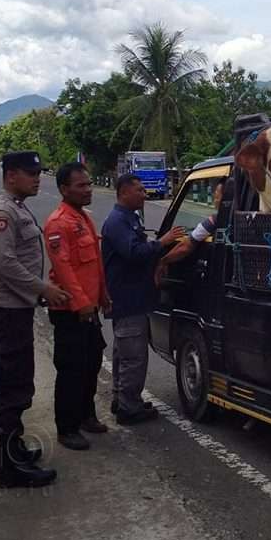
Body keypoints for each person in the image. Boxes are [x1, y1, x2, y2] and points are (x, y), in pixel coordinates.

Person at [0, 150, 67, 488]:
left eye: (38, 173)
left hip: (13, 309)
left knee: (14, 382)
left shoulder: (15, 207)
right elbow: (5, 264)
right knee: (13, 386)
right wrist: (43, 288)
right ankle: (10, 467)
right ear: (10, 175)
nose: (37, 178)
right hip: (5, 310)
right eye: (30, 174)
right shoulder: (1, 211)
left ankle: (7, 449)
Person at [101, 174, 185, 425]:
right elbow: (135, 253)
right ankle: (129, 407)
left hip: (133, 297)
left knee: (123, 353)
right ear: (124, 192)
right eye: (139, 190)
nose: (144, 194)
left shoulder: (129, 219)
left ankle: (122, 399)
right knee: (133, 355)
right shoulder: (117, 222)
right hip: (128, 299)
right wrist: (163, 242)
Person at [43, 163, 111, 450]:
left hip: (89, 309)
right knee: (71, 369)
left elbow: (95, 264)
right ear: (64, 189)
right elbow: (64, 268)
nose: (88, 189)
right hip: (70, 312)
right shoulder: (59, 223)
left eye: (89, 183)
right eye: (80, 185)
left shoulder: (82, 219)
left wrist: (103, 297)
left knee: (92, 362)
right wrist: (82, 303)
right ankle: (67, 427)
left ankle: (86, 415)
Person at [154, 179, 228, 286]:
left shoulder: (215, 220)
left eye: (216, 196)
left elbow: (187, 245)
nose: (214, 200)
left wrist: (163, 261)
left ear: (225, 200)